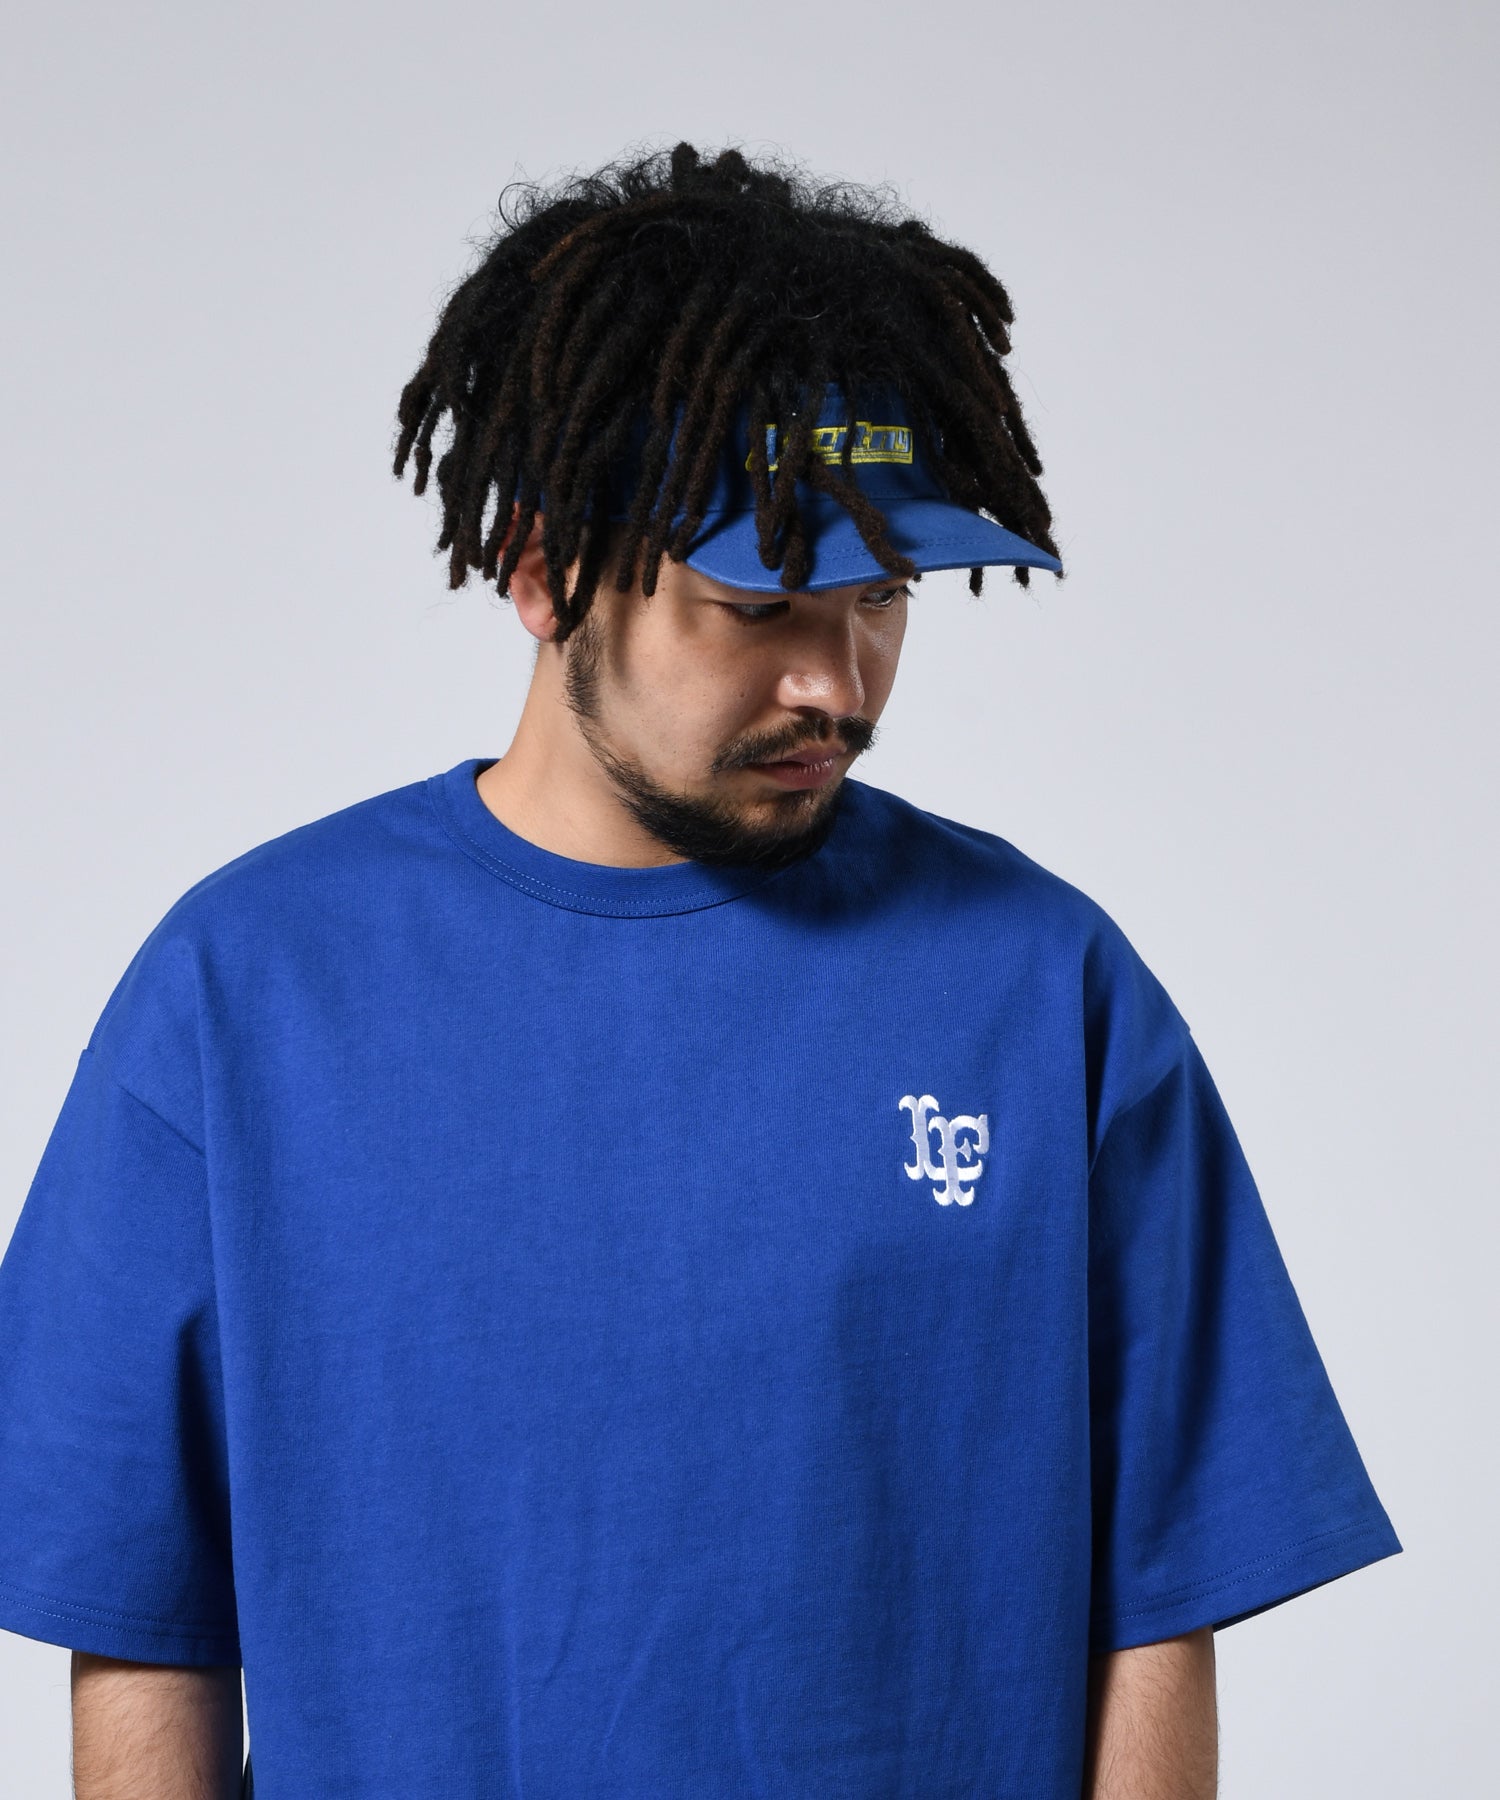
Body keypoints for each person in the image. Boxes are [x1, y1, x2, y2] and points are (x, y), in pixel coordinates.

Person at [0, 141, 1400, 1800]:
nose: (839, 682)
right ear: (543, 569)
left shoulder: (1043, 987)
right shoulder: (249, 992)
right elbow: (140, 1612)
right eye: (762, 604)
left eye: (882, 598)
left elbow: (1162, 1597)